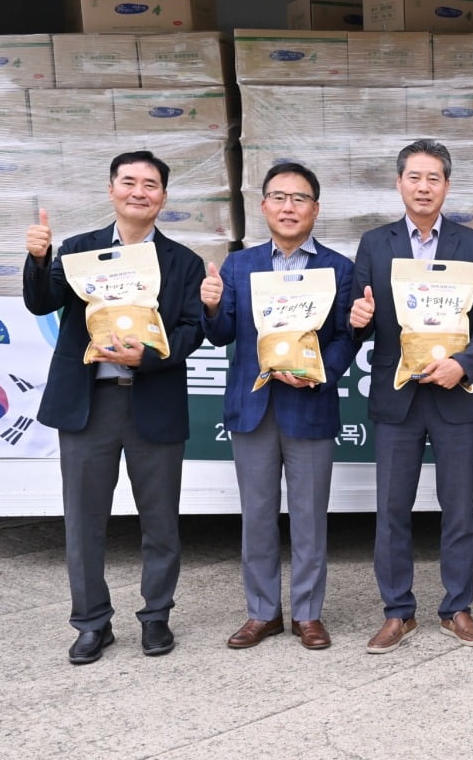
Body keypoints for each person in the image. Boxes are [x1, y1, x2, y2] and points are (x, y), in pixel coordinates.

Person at [22, 150, 205, 664]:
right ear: (111, 190)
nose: (139, 192)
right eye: (129, 182)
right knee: (83, 522)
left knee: (160, 521)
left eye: (151, 185)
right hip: (87, 404)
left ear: (163, 198)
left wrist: (150, 357)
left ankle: (156, 617)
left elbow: (193, 330)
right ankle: (91, 623)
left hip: (153, 401)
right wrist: (39, 259)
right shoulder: (78, 251)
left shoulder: (183, 262)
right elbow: (41, 302)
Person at [349, 139, 473, 654]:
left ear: (446, 187)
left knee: (458, 508)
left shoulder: (472, 245)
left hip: (455, 393)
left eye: (433, 178)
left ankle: (457, 608)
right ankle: (398, 612)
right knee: (392, 510)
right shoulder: (375, 244)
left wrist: (463, 363)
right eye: (414, 177)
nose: (423, 186)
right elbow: (357, 315)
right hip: (397, 399)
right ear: (399, 183)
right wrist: (357, 320)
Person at [200, 163, 355, 651]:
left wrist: (315, 371)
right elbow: (222, 333)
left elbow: (347, 338)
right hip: (253, 409)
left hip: (308, 407)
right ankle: (262, 612)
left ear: (316, 208)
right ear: (263, 205)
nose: (289, 207)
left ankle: (308, 614)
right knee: (257, 515)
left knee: (310, 517)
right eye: (279, 197)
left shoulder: (339, 268)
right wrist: (210, 305)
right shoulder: (239, 266)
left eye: (300, 199)